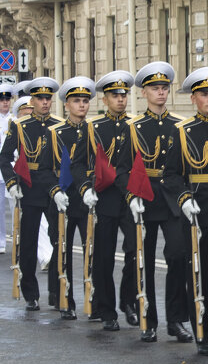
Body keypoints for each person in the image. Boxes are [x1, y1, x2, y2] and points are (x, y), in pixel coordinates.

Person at [162, 67, 208, 356]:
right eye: (204, 94)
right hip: (196, 209)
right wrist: (183, 198)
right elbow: (171, 175)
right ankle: (202, 331)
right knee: (198, 272)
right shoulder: (182, 131)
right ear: (194, 98)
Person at [115, 62, 191, 344]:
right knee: (142, 261)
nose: (160, 93)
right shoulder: (133, 128)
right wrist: (131, 196)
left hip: (171, 200)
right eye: (155, 88)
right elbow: (122, 170)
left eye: (164, 88)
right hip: (144, 199)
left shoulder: (179, 126)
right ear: (145, 92)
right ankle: (148, 318)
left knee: (177, 256)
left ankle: (176, 320)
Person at [72, 71, 138, 330]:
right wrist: (86, 188)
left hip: (130, 197)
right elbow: (77, 165)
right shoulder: (92, 128)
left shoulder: (134, 126)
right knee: (104, 256)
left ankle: (128, 301)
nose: (121, 99)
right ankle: (107, 309)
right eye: (115, 95)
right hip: (105, 198)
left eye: (124, 95)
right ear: (104, 99)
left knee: (135, 250)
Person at [0, 77, 60, 310]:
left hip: (53, 188)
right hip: (30, 186)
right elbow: (5, 157)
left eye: (48, 98)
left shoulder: (58, 124)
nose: (45, 103)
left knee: (58, 239)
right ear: (32, 100)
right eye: (40, 98)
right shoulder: (20, 125)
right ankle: (31, 293)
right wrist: (12, 181)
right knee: (28, 241)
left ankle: (55, 291)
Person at [39, 77, 95, 319]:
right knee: (61, 249)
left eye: (85, 101)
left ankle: (92, 300)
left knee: (91, 250)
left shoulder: (94, 132)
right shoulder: (54, 133)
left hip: (85, 199)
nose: (82, 105)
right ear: (66, 105)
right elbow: (43, 169)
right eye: (76, 101)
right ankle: (64, 298)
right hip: (61, 199)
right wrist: (55, 192)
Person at [0, 82, 13, 253]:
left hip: (11, 170)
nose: (5, 102)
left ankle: (18, 239)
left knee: (15, 207)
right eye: (2, 99)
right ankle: (1, 241)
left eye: (7, 99)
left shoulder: (15, 120)